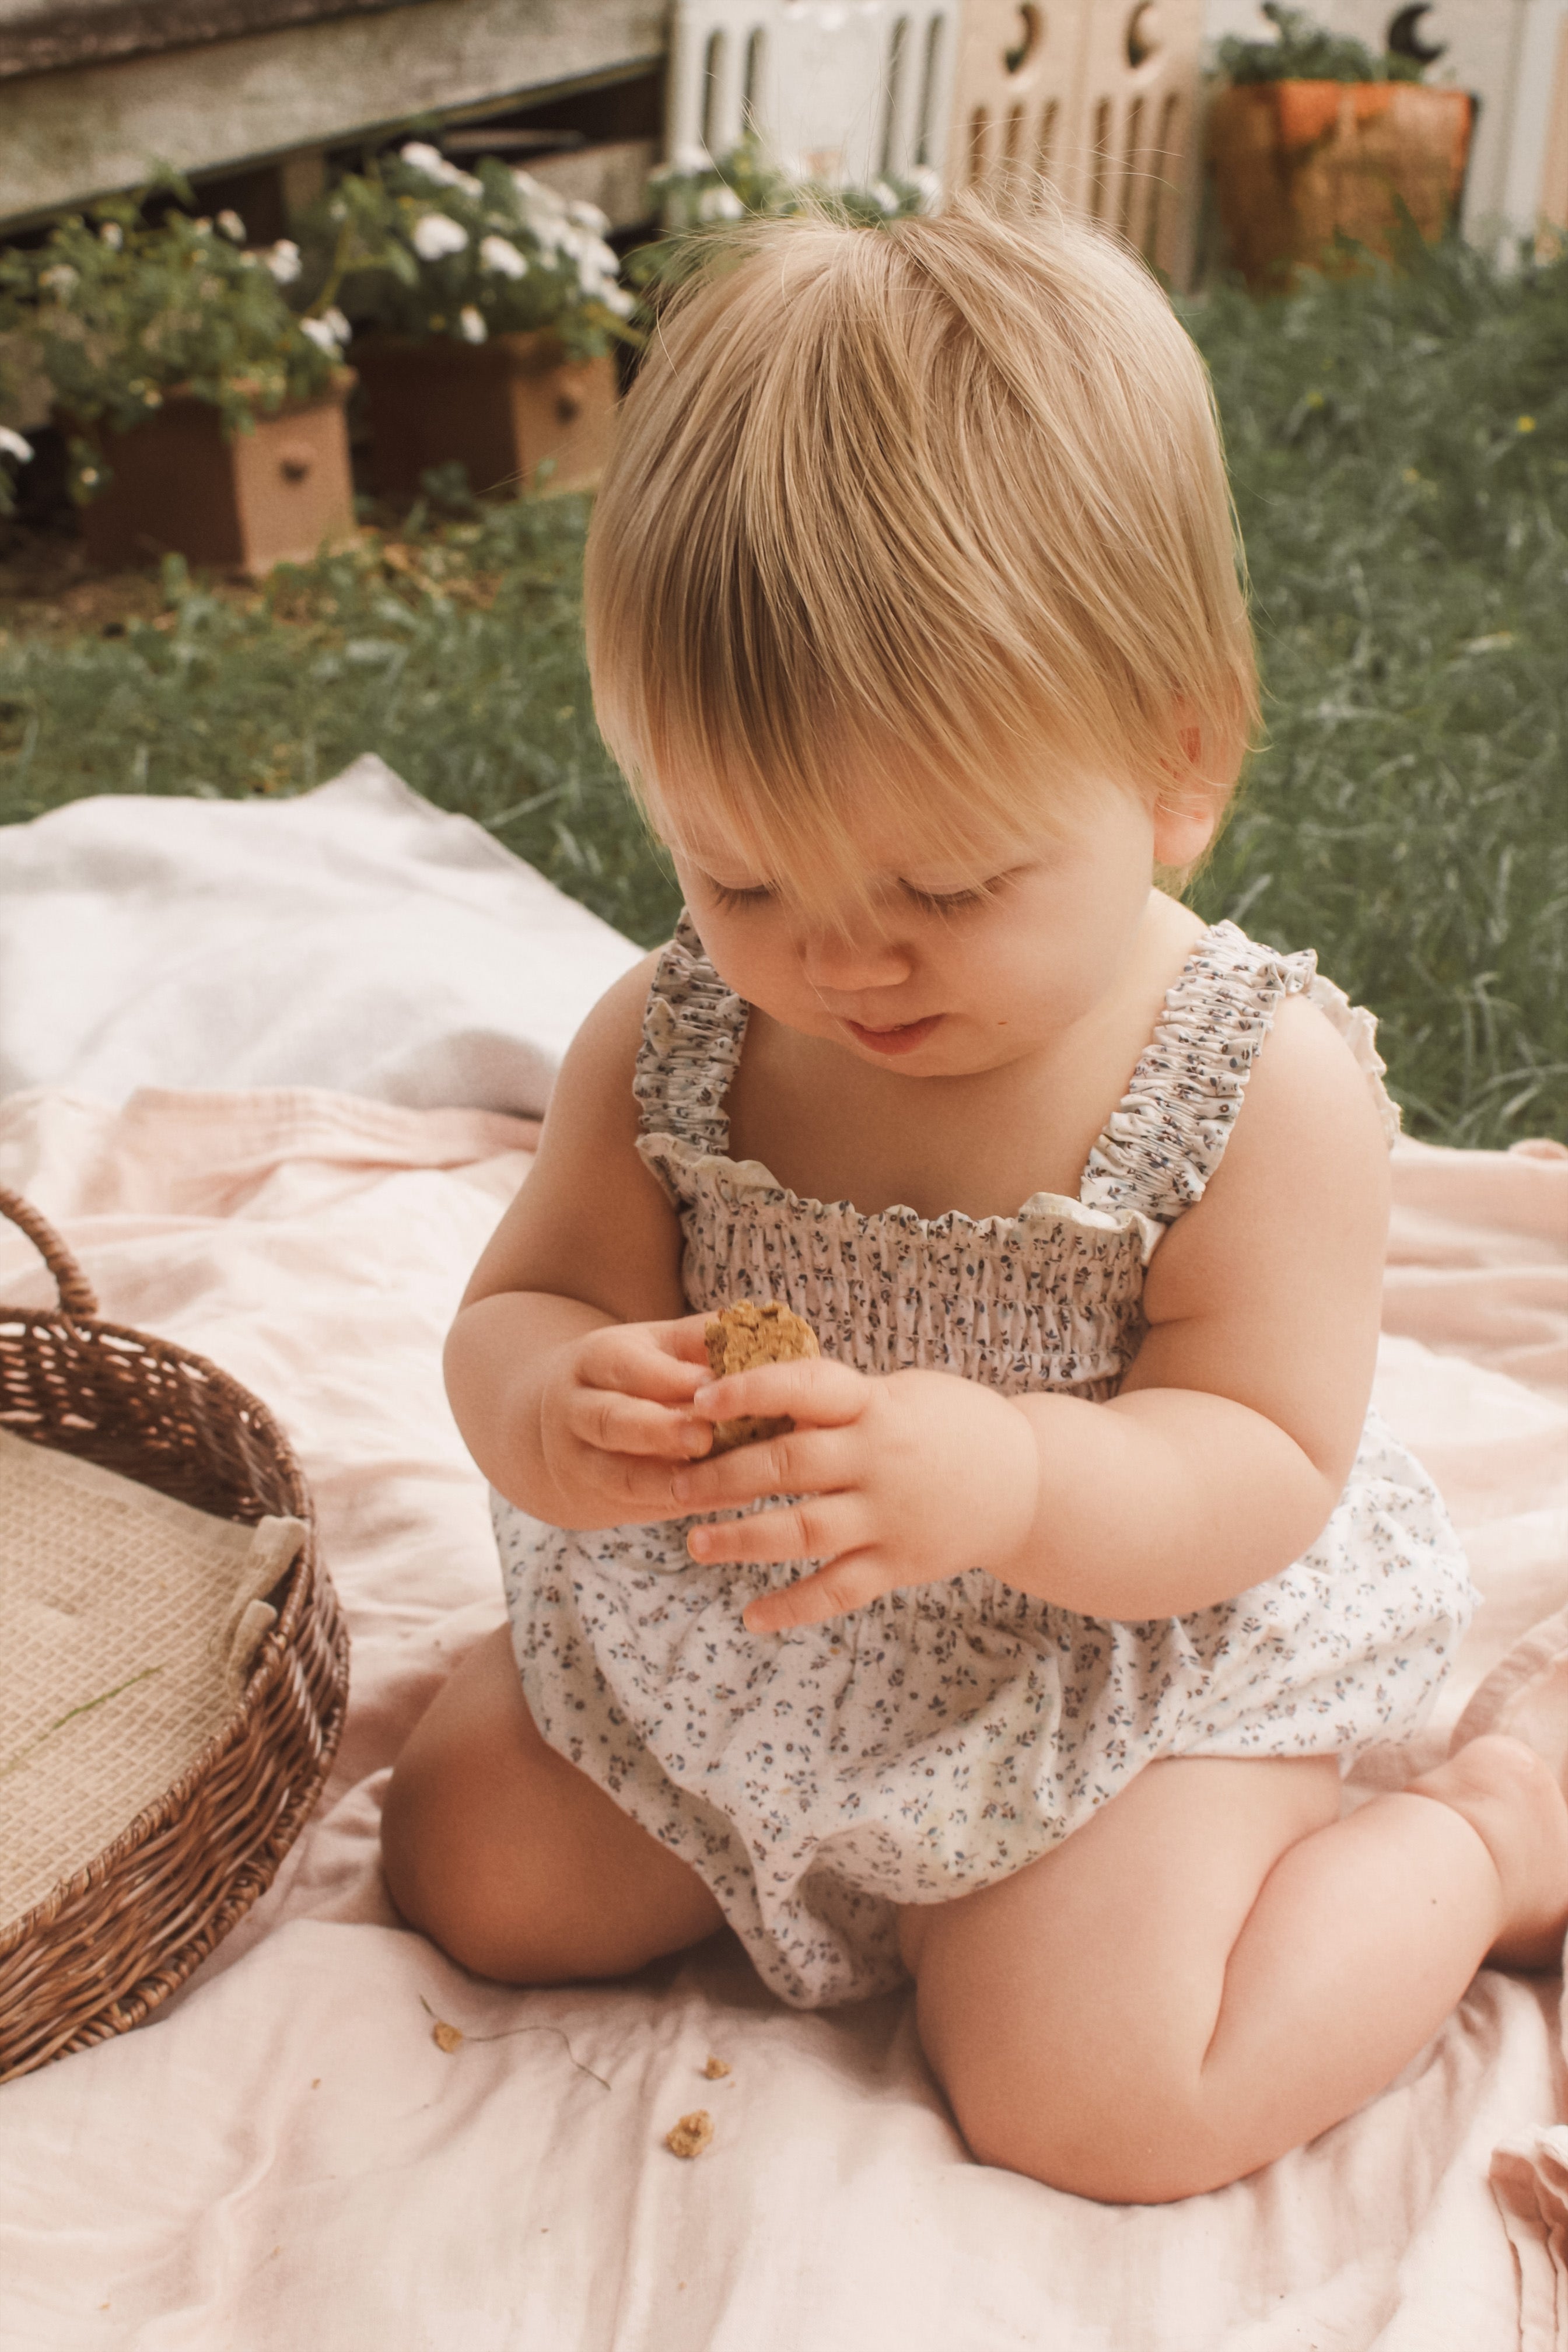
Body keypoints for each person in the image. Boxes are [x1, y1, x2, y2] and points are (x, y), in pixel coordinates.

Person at [381, 202, 1566, 2204]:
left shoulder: (1250, 1085)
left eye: (947, 888)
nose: (845, 961)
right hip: (747, 1638)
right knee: (467, 1864)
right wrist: (554, 1404)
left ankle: (1494, 1833)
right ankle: (842, 1885)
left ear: (1177, 761)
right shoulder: (675, 1043)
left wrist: (1010, 1477)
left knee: (1105, 2099)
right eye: (743, 876)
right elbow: (527, 1305)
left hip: (1107, 1659)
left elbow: (1262, 1461)